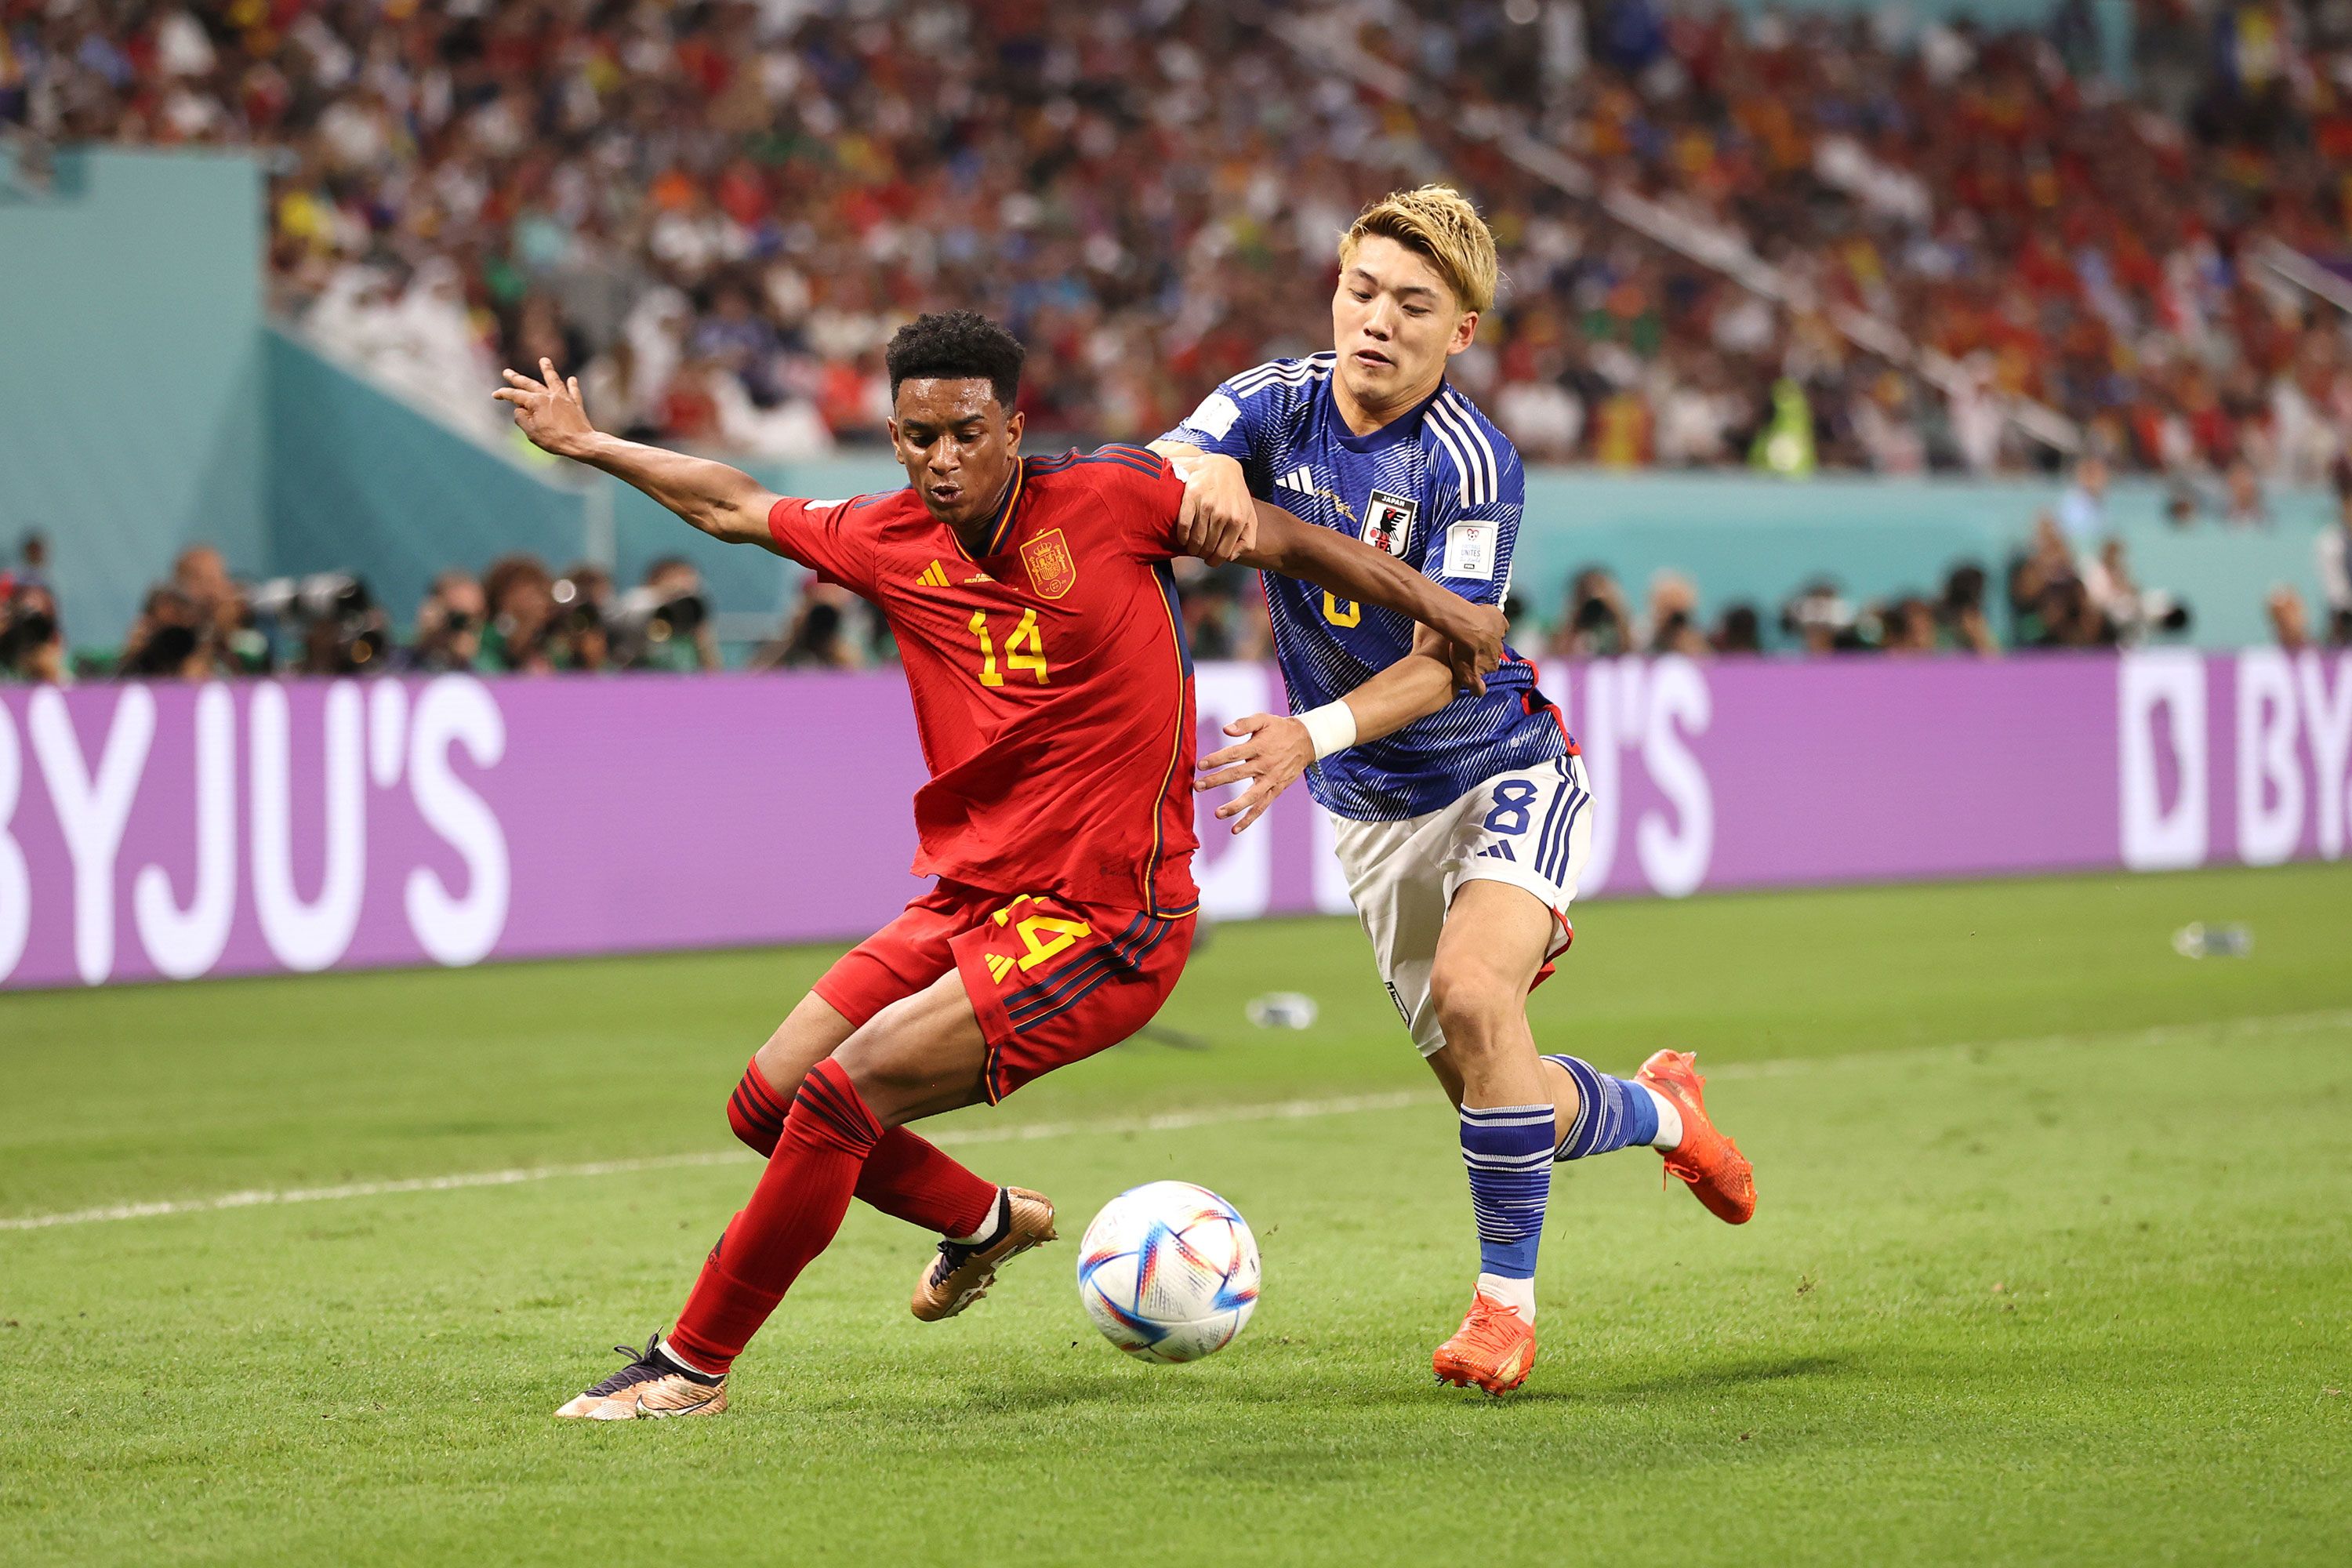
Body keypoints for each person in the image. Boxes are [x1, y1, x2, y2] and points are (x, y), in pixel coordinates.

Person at [495, 310, 1505, 1420]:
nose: (943, 458)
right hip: (972, 900)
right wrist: (592, 446)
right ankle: (984, 1223)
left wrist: (1444, 609)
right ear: (893, 437)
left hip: (1108, 920)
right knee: (767, 1101)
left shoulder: (1113, 502)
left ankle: (688, 1368)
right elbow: (733, 504)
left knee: (843, 1095)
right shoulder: (883, 538)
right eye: (920, 437)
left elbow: (1289, 539)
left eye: (967, 432)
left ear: (1015, 428)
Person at [1151, 187, 1755, 1396]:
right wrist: (1199, 471)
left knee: (1483, 998)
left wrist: (1308, 735)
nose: (1375, 320)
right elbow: (1175, 459)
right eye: (1360, 291)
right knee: (1500, 1086)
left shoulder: (1473, 463)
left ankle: (1502, 1313)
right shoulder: (1274, 401)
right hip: (1376, 821)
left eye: (1411, 304)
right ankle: (1665, 1113)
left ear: (1461, 330)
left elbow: (1446, 663)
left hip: (1501, 767)